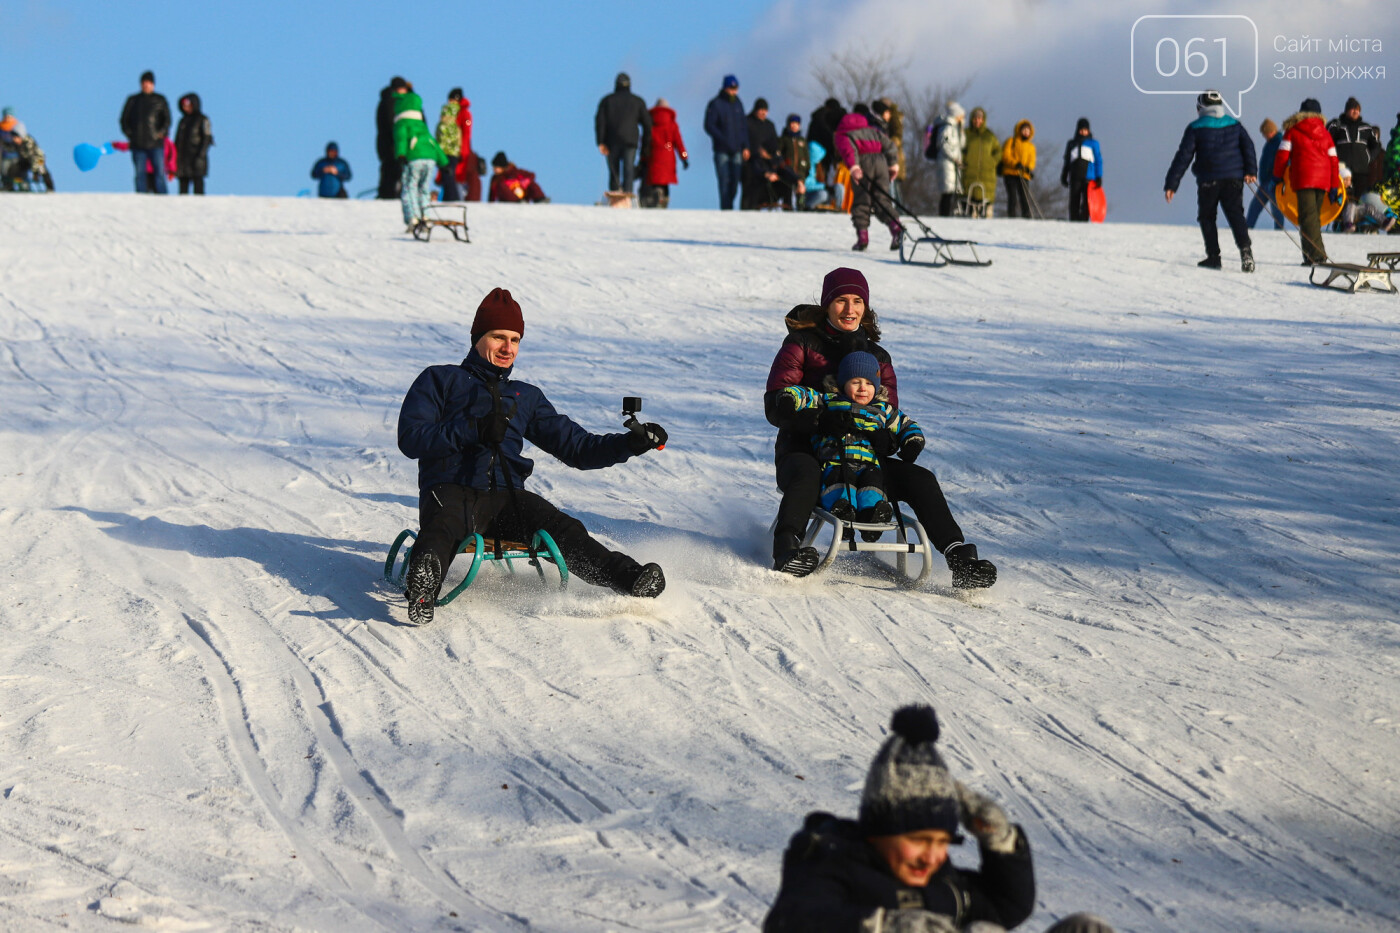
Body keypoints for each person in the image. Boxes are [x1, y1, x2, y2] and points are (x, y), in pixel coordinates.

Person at [396, 288, 668, 625]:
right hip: (449, 489)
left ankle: (629, 579)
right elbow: (411, 439)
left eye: (515, 339)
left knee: (561, 527)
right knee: (442, 527)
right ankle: (423, 586)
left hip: (505, 499)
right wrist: (473, 429)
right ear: (478, 337)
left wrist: (630, 444)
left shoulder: (525, 396)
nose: (508, 348)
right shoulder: (440, 380)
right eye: (498, 337)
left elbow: (578, 448)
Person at [763, 704, 1117, 933]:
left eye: (942, 843)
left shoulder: (944, 884)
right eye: (918, 840)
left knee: (1086, 929)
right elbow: (791, 920)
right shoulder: (833, 866)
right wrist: (886, 926)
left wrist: (1000, 840)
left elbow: (1007, 907)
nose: (931, 856)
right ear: (879, 831)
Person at [764, 268, 997, 587]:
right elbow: (776, 403)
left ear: (866, 306)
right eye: (841, 301)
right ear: (827, 304)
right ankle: (787, 552)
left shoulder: (877, 356)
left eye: (857, 301)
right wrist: (820, 420)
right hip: (804, 449)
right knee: (807, 474)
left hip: (863, 457)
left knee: (920, 478)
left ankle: (960, 558)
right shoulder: (801, 343)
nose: (850, 309)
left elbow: (890, 417)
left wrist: (886, 437)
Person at [778, 351, 923, 526]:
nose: (863, 388)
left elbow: (907, 426)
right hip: (836, 462)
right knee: (840, 481)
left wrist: (913, 443)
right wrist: (788, 398)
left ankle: (873, 513)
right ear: (843, 383)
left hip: (869, 465)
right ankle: (842, 508)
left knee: (873, 483)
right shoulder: (830, 400)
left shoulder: (883, 410)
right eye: (856, 382)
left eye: (869, 383)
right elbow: (803, 394)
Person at [1164, 90, 1257, 272]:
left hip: (1209, 180)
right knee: (1236, 215)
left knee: (1207, 217)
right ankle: (1246, 254)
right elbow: (1248, 147)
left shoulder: (1195, 127)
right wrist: (1251, 171)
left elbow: (1183, 157)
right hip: (1233, 179)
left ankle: (1214, 257)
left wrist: (1171, 184)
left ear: (1201, 108)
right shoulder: (1235, 125)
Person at [1274, 98, 1341, 266]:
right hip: (1324, 180)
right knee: (1313, 219)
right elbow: (1334, 160)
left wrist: (1278, 175)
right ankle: (1310, 256)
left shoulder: (1293, 131)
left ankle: (1317, 257)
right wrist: (1334, 186)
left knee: (1307, 218)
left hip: (1304, 179)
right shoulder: (1326, 134)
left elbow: (1282, 155)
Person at [835, 105, 901, 251]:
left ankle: (862, 238)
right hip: (881, 163)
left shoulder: (844, 135)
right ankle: (896, 228)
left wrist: (854, 167)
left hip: (863, 164)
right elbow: (890, 146)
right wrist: (893, 165)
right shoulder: (873, 131)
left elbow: (848, 151)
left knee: (861, 201)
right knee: (882, 199)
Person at [393, 81, 448, 230]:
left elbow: (401, 138)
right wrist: (444, 163)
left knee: (409, 188)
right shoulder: (422, 125)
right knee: (424, 189)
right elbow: (433, 142)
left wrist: (401, 155)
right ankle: (426, 216)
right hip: (430, 159)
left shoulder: (402, 123)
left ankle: (413, 218)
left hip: (414, 158)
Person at [595, 72, 651, 197]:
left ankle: (615, 195)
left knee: (614, 171)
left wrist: (600, 142)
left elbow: (600, 122)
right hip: (631, 141)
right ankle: (628, 195)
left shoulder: (607, 101)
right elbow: (648, 125)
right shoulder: (638, 101)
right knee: (629, 170)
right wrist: (645, 146)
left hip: (611, 141)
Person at [120, 70, 171, 194]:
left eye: (148, 82)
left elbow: (167, 119)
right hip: (138, 144)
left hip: (156, 144)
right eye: (144, 82)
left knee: (159, 172)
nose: (146, 85)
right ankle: (141, 197)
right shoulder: (133, 100)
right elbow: (124, 120)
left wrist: (161, 133)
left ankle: (163, 196)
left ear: (153, 84)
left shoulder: (160, 99)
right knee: (139, 173)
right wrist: (131, 135)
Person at [703, 75, 749, 210]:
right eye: (732, 88)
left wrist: (746, 146)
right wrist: (722, 139)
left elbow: (743, 127)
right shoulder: (715, 104)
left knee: (734, 182)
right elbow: (709, 125)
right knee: (724, 181)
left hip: (737, 150)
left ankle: (729, 205)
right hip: (721, 150)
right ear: (725, 88)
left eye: (736, 88)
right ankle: (726, 209)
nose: (734, 91)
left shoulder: (738, 104)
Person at [1327, 97, 1383, 199]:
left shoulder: (1366, 127)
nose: (1355, 111)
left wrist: (1369, 158)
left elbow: (1376, 145)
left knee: (1360, 198)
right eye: (1353, 109)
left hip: (1361, 170)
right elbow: (1327, 141)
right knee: (1342, 197)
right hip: (1342, 170)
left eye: (1358, 110)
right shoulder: (1338, 126)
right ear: (1347, 110)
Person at [641, 97, 687, 209]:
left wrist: (643, 158)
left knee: (655, 180)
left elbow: (645, 142)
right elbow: (679, 144)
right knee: (665, 182)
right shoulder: (672, 124)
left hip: (654, 155)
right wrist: (685, 158)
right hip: (668, 155)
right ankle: (664, 200)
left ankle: (656, 195)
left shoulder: (650, 123)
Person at [925, 101, 965, 217]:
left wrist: (961, 130)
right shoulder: (947, 127)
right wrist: (955, 158)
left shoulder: (955, 127)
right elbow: (944, 145)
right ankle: (944, 215)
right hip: (947, 164)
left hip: (951, 165)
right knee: (947, 191)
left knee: (952, 191)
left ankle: (948, 214)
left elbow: (961, 144)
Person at [1246, 119, 1286, 230]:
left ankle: (1279, 231)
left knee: (1276, 210)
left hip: (1274, 182)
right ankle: (1248, 227)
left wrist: (1277, 179)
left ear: (1271, 131)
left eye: (1265, 134)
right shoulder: (1269, 143)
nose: (1264, 136)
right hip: (1265, 183)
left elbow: (1282, 162)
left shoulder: (1280, 142)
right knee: (1255, 206)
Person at [1061, 118, 1102, 222]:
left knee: (1087, 201)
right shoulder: (1071, 143)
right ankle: (1074, 219)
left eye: (1085, 130)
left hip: (1089, 177)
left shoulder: (1093, 143)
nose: (1083, 132)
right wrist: (1064, 175)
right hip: (1075, 176)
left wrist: (1099, 176)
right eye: (1081, 130)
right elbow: (1067, 160)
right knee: (1074, 199)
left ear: (1089, 130)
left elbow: (1098, 160)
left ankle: (1084, 219)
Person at [742, 98, 780, 210]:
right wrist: (746, 148)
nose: (763, 113)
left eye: (765, 110)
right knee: (748, 189)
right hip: (749, 162)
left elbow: (774, 143)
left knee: (764, 189)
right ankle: (745, 211)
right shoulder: (747, 121)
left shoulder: (769, 125)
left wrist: (771, 156)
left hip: (766, 162)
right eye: (761, 110)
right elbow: (743, 138)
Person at [962, 107, 999, 218]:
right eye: (975, 119)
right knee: (969, 199)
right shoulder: (966, 134)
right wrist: (965, 160)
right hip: (969, 172)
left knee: (985, 202)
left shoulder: (990, 136)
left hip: (986, 174)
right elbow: (960, 149)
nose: (977, 121)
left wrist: (992, 162)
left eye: (980, 119)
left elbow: (997, 151)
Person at [173, 93, 212, 196]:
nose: (186, 107)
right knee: (183, 190)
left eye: (188, 104)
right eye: (184, 105)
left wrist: (200, 156)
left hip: (196, 158)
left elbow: (207, 138)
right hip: (182, 160)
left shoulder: (203, 119)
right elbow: (177, 140)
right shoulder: (182, 121)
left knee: (198, 187)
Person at [999, 119, 1036, 219]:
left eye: (1028, 130)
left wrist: (1029, 168)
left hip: (1023, 174)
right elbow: (1006, 155)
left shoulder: (1031, 146)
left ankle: (1026, 215)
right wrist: (1015, 164)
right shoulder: (1011, 141)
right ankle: (1012, 216)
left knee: (1024, 197)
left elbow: (1032, 160)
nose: (1026, 132)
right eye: (1024, 130)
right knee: (1012, 196)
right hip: (1010, 173)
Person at [376, 77, 406, 199]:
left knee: (389, 170)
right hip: (392, 144)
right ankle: (389, 195)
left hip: (385, 143)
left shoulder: (385, 101)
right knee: (393, 170)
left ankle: (387, 194)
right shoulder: (392, 101)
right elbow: (391, 123)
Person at [808, 97, 847, 189]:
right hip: (825, 152)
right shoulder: (829, 117)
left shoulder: (817, 117)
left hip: (815, 151)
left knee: (818, 176)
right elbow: (828, 136)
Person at [775, 114, 811, 211]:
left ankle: (801, 210)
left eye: (796, 123)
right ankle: (788, 212)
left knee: (800, 196)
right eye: (792, 123)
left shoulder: (802, 141)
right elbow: (778, 156)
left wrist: (805, 171)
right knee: (788, 197)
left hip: (800, 175)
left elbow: (807, 159)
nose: (794, 125)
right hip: (787, 174)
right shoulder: (783, 139)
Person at [436, 88, 466, 202]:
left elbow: (467, 125)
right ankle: (451, 198)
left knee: (448, 176)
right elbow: (465, 130)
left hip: (445, 151)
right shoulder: (459, 114)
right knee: (450, 175)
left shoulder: (461, 114)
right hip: (454, 150)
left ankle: (450, 197)